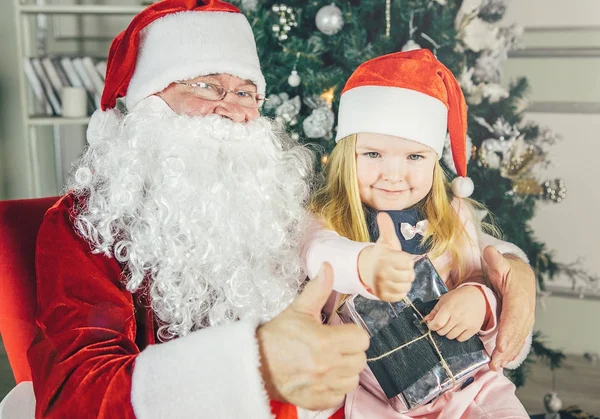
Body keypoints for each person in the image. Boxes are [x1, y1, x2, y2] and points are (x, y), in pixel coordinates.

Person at [23, 2, 534, 419]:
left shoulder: (270, 199)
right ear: (145, 103)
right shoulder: (87, 225)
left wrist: (512, 278)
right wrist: (254, 367)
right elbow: (75, 398)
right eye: (204, 85)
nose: (232, 107)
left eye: (246, 91)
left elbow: (452, 245)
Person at [303, 50, 530, 417]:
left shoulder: (452, 217)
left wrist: (480, 302)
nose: (394, 174)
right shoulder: (328, 220)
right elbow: (318, 253)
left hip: (474, 390)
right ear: (348, 156)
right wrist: (362, 264)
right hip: (379, 401)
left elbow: (480, 281)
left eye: (414, 157)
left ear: (434, 161)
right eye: (373, 154)